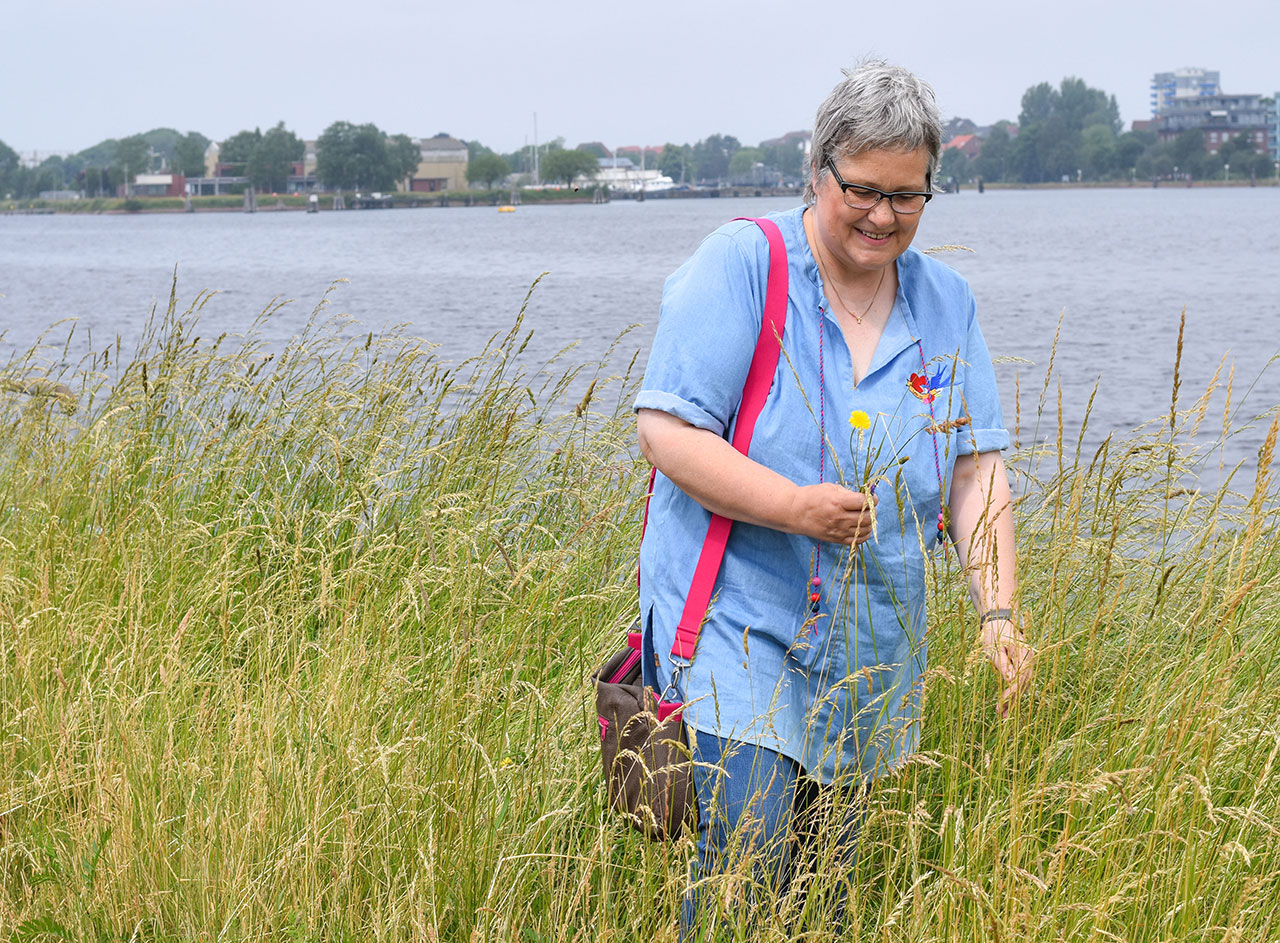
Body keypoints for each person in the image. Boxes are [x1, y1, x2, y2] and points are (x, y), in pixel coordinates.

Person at [634, 60, 1033, 934]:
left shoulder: (945, 302)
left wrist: (997, 611)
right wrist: (791, 507)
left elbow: (975, 471)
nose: (884, 216)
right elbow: (667, 432)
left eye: (909, 195)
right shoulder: (745, 265)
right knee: (749, 843)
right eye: (862, 190)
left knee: (824, 892)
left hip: (870, 647)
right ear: (816, 173)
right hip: (741, 627)